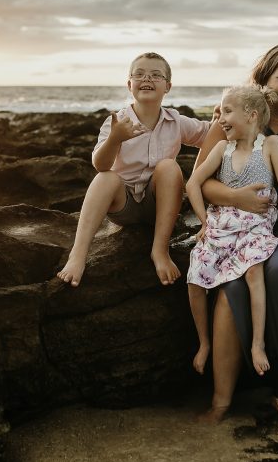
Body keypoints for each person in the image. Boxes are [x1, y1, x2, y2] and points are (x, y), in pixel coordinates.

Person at [195, 43, 278, 429]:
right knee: (231, 288)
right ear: (264, 80)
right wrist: (239, 198)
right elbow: (202, 185)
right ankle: (221, 401)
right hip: (240, 229)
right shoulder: (234, 122)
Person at [186, 85, 278, 378]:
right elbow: (193, 184)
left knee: (254, 273)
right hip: (222, 224)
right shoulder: (222, 148)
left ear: (252, 115)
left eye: (228, 111)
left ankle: (257, 345)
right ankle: (204, 343)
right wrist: (205, 222)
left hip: (257, 224)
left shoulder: (269, 146)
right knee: (195, 278)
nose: (221, 118)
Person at [56, 52, 209, 287]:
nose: (147, 78)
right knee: (105, 178)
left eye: (156, 75)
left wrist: (225, 115)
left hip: (156, 207)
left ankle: (159, 251)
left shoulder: (176, 122)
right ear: (129, 84)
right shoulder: (117, 122)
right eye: (139, 74)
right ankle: (78, 255)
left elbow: (208, 135)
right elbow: (100, 164)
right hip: (122, 206)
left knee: (169, 167)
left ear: (167, 86)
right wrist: (114, 140)